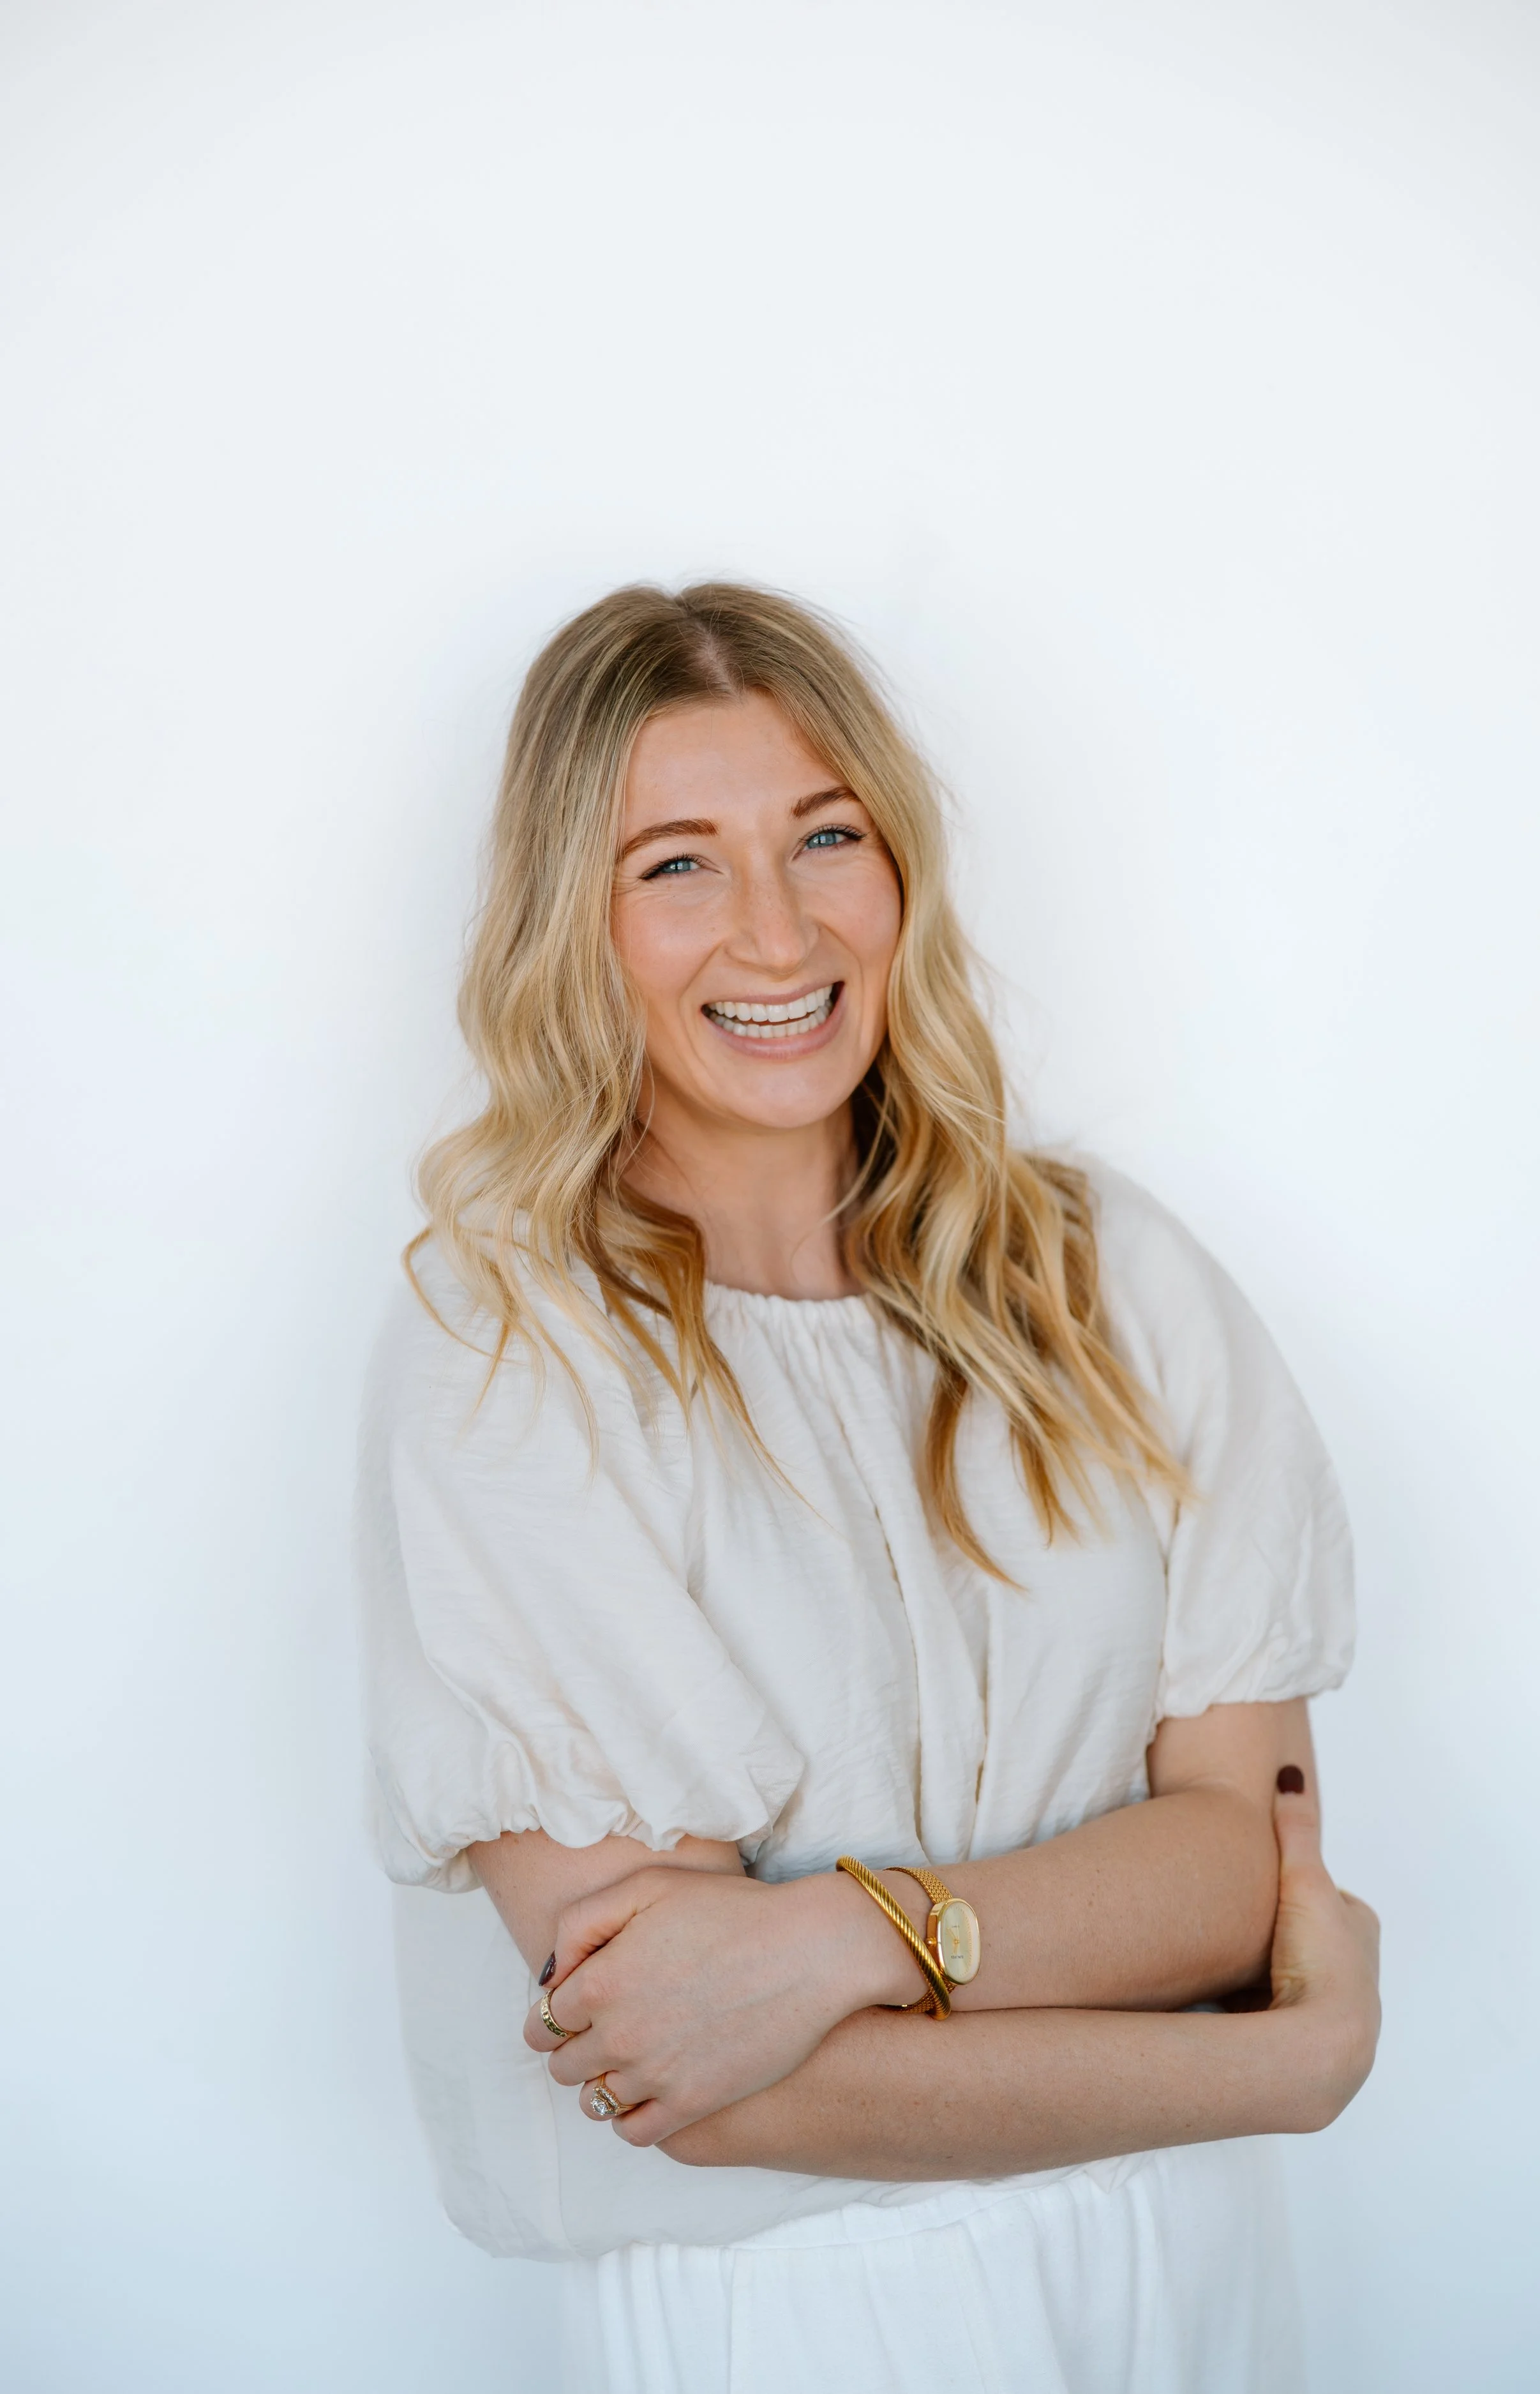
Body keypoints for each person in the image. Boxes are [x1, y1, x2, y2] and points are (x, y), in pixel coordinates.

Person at [358, 582, 1380, 2393]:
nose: (775, 926)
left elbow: (1237, 1870)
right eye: (676, 862)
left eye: (823, 834)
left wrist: (837, 1931)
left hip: (1198, 2284)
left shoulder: (1106, 1278)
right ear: (566, 925)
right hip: (796, 2323)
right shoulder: (512, 1352)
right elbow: (695, 2070)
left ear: (897, 866)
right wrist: (1272, 2065)